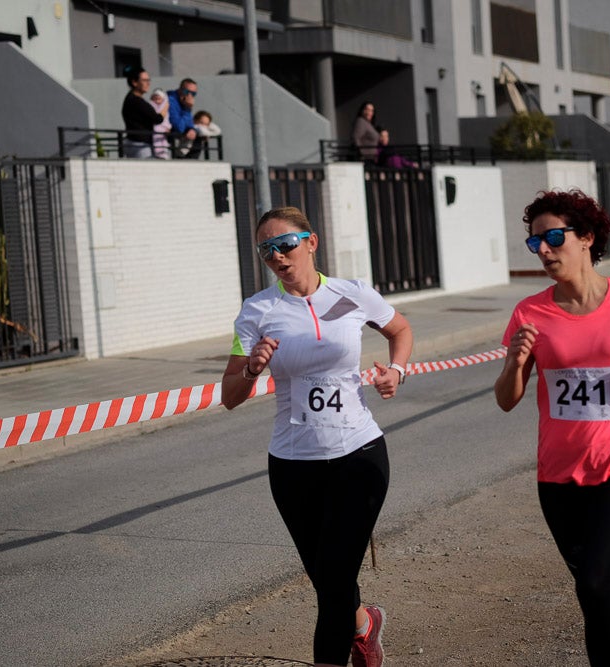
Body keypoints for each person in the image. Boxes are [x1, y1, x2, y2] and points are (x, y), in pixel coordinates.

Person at [493, 189, 610, 666]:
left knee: (595, 579)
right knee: (600, 593)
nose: (542, 249)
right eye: (534, 241)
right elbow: (506, 401)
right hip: (559, 477)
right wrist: (517, 363)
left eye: (553, 237)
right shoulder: (529, 313)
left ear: (586, 237)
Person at [222, 206, 413, 667]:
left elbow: (400, 329)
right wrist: (251, 368)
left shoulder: (352, 294)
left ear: (311, 242)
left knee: (331, 588)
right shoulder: (257, 311)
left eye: (285, 245)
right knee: (328, 578)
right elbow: (230, 395)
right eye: (266, 251)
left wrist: (397, 370)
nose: (277, 257)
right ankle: (364, 624)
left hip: (359, 453)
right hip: (292, 464)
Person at [120, 67, 162, 158]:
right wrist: (165, 106)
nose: (148, 83)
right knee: (146, 171)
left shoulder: (130, 99)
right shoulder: (137, 101)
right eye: (144, 80)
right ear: (134, 82)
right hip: (140, 145)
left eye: (148, 80)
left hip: (133, 142)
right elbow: (157, 119)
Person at [167, 77, 200, 158]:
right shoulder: (170, 101)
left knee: (198, 136)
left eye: (193, 94)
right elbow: (179, 128)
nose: (189, 96)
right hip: (169, 138)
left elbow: (189, 124)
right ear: (179, 90)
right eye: (186, 91)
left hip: (178, 138)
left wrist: (192, 130)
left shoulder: (184, 103)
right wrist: (187, 109)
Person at [149, 88, 172, 159]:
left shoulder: (166, 109)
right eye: (155, 98)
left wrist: (168, 127)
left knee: (163, 144)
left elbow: (166, 120)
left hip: (163, 130)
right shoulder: (150, 107)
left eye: (159, 98)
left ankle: (163, 155)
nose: (157, 100)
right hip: (154, 129)